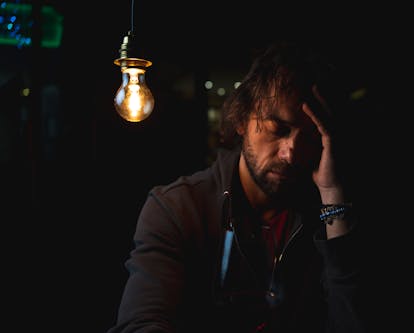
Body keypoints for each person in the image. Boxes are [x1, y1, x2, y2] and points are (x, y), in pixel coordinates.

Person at [107, 41, 369, 333]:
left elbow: (355, 322)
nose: (291, 153)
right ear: (242, 119)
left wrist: (333, 195)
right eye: (277, 128)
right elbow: (141, 321)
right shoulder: (178, 207)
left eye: (309, 136)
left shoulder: (325, 214)